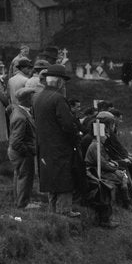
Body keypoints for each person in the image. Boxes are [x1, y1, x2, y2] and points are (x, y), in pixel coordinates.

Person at [33, 64, 81, 217]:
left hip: (44, 146)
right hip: (60, 147)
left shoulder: (38, 97)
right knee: (64, 180)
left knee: (51, 180)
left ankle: (52, 212)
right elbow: (67, 125)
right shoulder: (58, 99)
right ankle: (64, 211)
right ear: (60, 82)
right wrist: (76, 139)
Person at [7, 87, 39, 209]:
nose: (33, 99)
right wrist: (28, 152)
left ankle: (20, 201)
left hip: (18, 152)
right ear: (26, 99)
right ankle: (23, 204)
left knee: (19, 176)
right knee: (25, 178)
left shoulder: (20, 112)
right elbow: (16, 141)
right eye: (31, 97)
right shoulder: (21, 117)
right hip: (21, 153)